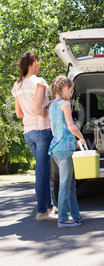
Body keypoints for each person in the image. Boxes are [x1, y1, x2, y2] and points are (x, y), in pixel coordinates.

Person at [12, 51, 57, 222]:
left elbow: (18, 114)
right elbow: (40, 111)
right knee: (41, 172)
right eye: (39, 63)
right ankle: (41, 212)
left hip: (28, 133)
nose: (39, 65)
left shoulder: (18, 85)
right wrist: (52, 106)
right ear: (35, 62)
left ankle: (49, 207)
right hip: (42, 131)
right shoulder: (39, 82)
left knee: (43, 171)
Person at [48, 76, 86, 228]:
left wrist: (73, 142)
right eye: (71, 90)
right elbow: (71, 127)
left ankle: (75, 215)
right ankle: (62, 219)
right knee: (65, 184)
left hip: (57, 149)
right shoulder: (65, 104)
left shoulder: (51, 106)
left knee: (70, 183)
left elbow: (54, 131)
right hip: (64, 150)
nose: (71, 93)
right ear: (65, 88)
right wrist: (82, 138)